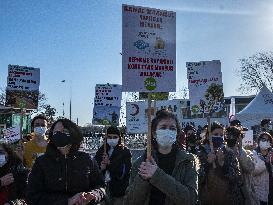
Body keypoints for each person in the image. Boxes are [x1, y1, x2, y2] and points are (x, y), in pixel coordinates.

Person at [124, 109, 198, 205]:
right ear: (154, 133)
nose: (168, 131)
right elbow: (130, 202)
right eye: (163, 127)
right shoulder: (140, 163)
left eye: (172, 128)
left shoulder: (188, 161)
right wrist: (142, 179)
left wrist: (157, 175)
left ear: (176, 134)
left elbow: (191, 199)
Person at [26, 118, 106, 205]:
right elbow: (32, 196)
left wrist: (93, 195)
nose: (59, 135)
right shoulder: (41, 162)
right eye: (56, 132)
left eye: (64, 131)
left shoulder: (87, 159)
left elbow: (100, 186)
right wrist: (67, 201)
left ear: (73, 134)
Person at [198, 122, 244, 205]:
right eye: (216, 134)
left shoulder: (229, 153)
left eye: (221, 135)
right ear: (208, 136)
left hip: (228, 199)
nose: (219, 137)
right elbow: (197, 180)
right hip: (207, 199)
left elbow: (238, 179)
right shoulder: (201, 155)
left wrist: (224, 165)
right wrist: (207, 163)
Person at [95, 126, 131, 205]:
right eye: (109, 137)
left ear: (119, 138)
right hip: (102, 190)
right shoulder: (101, 151)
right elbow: (94, 169)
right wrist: (101, 168)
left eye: (115, 137)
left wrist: (110, 164)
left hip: (119, 191)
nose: (112, 139)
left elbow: (124, 172)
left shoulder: (125, 151)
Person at [225, 126, 259, 205]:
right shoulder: (222, 153)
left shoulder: (247, 153)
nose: (231, 138)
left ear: (239, 138)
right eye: (229, 135)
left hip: (245, 194)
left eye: (234, 136)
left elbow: (250, 168)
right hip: (229, 195)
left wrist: (240, 149)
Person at [252, 132, 273, 205]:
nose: (266, 142)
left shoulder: (272, 153)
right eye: (263, 139)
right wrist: (265, 163)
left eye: (268, 140)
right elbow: (253, 171)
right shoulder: (253, 154)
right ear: (259, 141)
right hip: (259, 192)